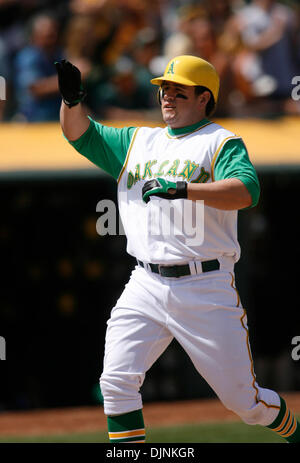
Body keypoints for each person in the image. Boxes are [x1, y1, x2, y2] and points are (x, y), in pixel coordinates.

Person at [55, 55, 300, 443]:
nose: (167, 97)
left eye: (179, 91)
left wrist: (185, 189)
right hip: (145, 283)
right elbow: (79, 134)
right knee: (116, 384)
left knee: (246, 403)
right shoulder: (137, 140)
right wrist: (71, 101)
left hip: (206, 285)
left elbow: (247, 191)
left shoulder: (220, 141)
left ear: (204, 98)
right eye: (164, 89)